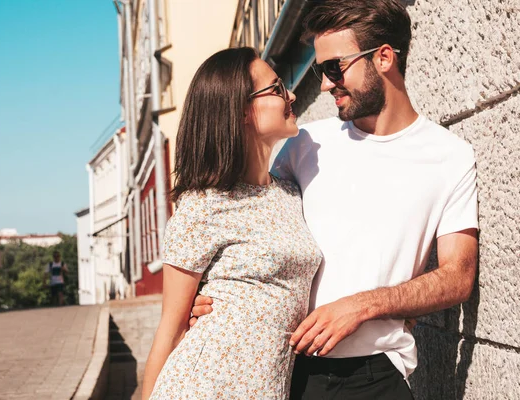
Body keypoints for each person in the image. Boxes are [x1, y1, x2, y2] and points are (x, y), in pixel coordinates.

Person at [190, 1, 479, 398]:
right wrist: (210, 292)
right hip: (286, 370)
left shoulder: (450, 156)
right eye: (318, 71)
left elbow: (457, 277)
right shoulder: (307, 143)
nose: (325, 84)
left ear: (383, 57)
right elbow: (250, 229)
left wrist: (362, 306)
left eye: (333, 68)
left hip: (377, 376)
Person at [141, 47, 323, 400]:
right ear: (241, 110)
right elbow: (172, 327)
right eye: (276, 89)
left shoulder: (289, 192)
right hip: (204, 387)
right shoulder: (204, 205)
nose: (292, 94)